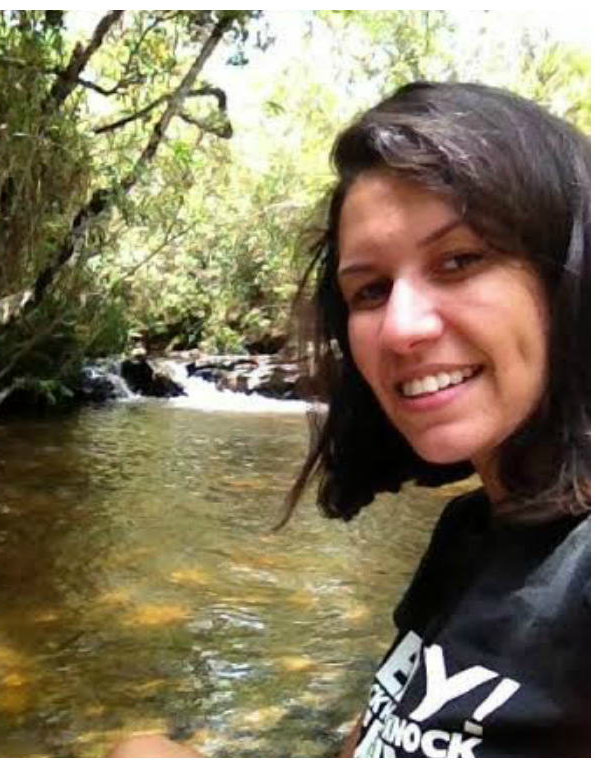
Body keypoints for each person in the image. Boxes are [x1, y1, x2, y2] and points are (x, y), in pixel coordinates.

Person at [114, 82, 591, 758]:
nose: (399, 329)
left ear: (567, 275)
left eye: (459, 260)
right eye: (369, 290)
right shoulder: (471, 531)